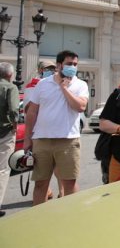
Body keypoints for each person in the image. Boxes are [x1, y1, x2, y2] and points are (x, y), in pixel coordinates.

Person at [24, 50, 89, 206]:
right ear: (59, 65)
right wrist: (28, 139)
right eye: (69, 64)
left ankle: (70, 218)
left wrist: (64, 88)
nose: (72, 67)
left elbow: (80, 106)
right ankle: (38, 218)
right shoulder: (42, 84)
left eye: (75, 64)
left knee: (69, 183)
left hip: (68, 141)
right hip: (42, 140)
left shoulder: (81, 84)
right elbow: (32, 112)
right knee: (40, 183)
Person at [23, 60, 62, 200]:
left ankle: (61, 193)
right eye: (47, 68)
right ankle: (47, 192)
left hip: (57, 132)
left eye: (53, 68)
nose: (51, 71)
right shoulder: (33, 86)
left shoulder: (58, 83)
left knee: (59, 168)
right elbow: (28, 110)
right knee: (42, 168)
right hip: (39, 132)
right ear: (40, 70)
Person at [0, 63, 19, 217]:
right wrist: (14, 124)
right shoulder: (10, 88)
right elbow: (13, 109)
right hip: (4, 133)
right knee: (2, 170)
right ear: (10, 75)